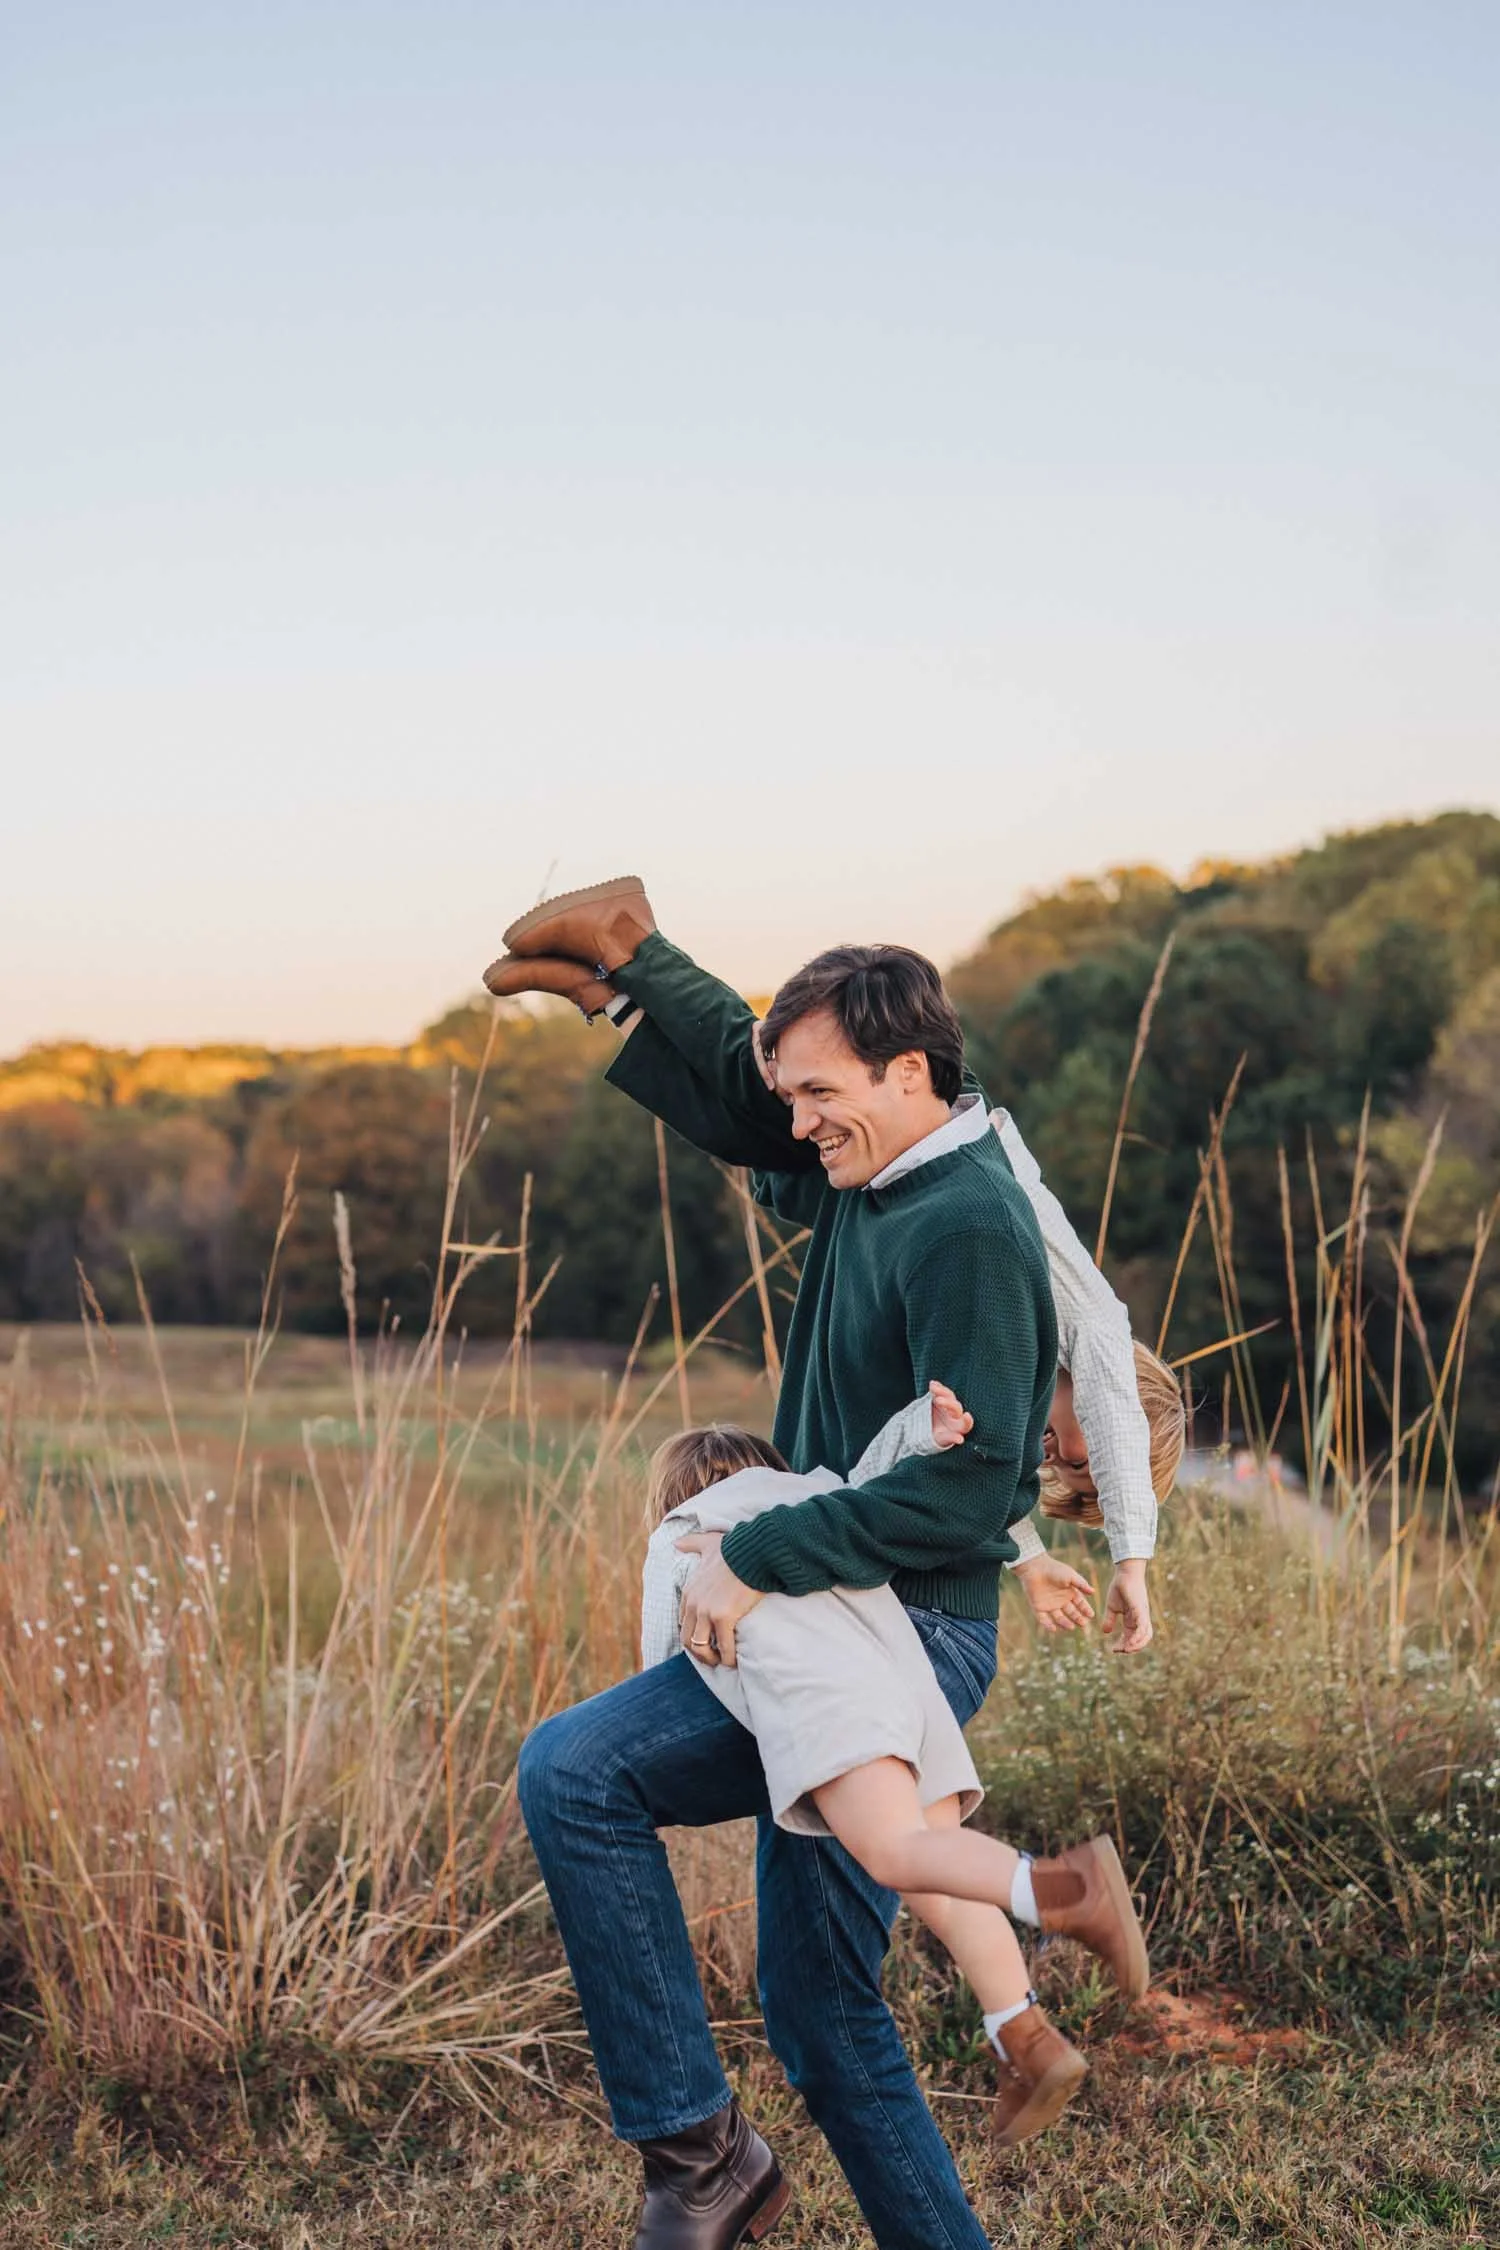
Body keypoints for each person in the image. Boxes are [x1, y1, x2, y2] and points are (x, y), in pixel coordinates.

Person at [495, 876, 1153, 2250]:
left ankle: (698, 2153)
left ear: (909, 1071)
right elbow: (752, 1110)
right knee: (819, 2002)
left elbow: (975, 1486)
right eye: (796, 1098)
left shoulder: (964, 1223)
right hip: (843, 1609)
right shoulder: (879, 1172)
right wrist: (636, 983)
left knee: (576, 1769)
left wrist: (761, 1552)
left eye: (823, 1095)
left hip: (893, 1622)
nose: (798, 1126)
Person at [641, 1384, 1144, 2152]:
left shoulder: (685, 1535)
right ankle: (1025, 2036)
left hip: (837, 1705)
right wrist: (925, 1425)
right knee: (936, 1873)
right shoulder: (808, 1504)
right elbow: (877, 1476)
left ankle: (1068, 1890)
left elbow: (662, 1665)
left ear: (675, 1498)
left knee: (891, 1852)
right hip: (907, 1676)